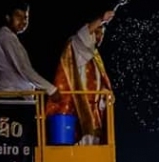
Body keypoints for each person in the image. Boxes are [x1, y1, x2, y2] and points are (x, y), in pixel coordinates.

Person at [45, 10, 116, 144]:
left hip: (94, 110)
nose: (100, 37)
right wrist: (102, 18)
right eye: (97, 32)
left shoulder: (95, 56)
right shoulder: (76, 46)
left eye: (102, 33)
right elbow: (83, 34)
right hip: (78, 107)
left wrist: (104, 95)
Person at [0, 1, 58, 96]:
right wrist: (51, 89)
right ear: (8, 17)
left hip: (12, 97)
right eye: (18, 16)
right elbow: (23, 68)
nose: (23, 21)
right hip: (12, 98)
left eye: (25, 17)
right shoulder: (6, 37)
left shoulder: (5, 36)